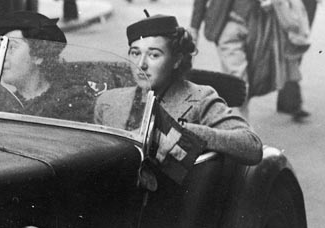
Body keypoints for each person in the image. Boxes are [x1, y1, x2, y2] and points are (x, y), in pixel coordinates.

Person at [94, 14, 262, 166]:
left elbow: (252, 145)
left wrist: (185, 133)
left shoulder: (200, 98)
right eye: (135, 53)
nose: (140, 65)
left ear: (176, 60)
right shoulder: (108, 101)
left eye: (154, 55)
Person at [190, 0, 256, 115]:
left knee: (238, 76)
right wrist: (194, 27)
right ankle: (239, 122)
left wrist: (194, 28)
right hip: (232, 24)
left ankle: (237, 119)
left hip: (249, 24)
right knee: (238, 78)